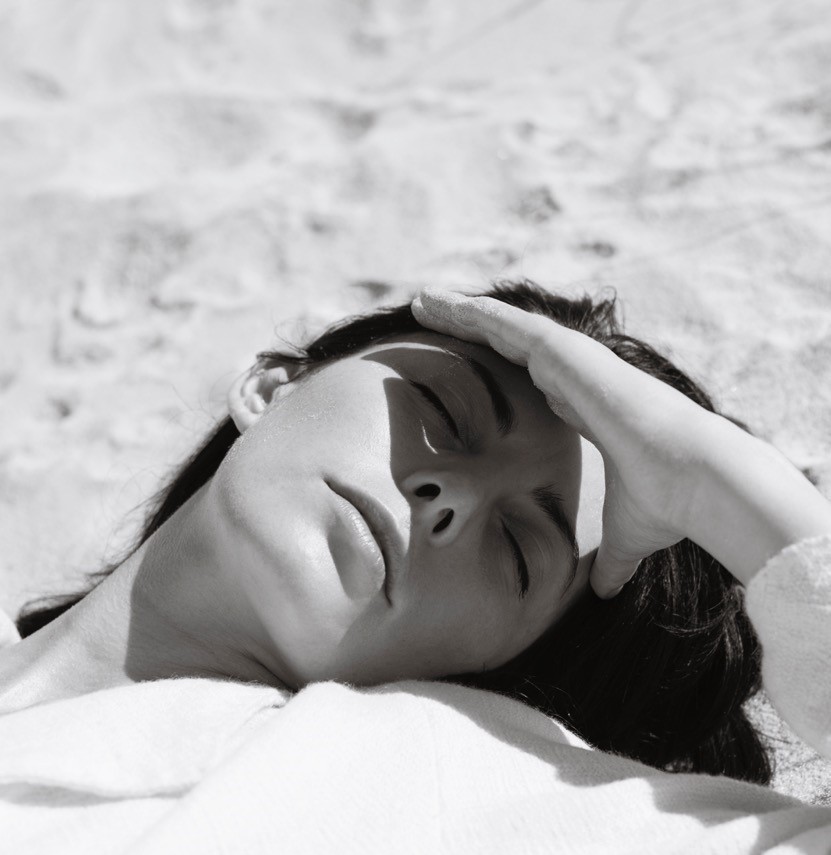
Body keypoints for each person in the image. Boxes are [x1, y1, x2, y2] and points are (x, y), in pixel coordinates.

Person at [1, 281, 830, 853]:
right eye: (443, 410)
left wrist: (712, 484)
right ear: (274, 386)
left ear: (495, 661)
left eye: (517, 546)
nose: (451, 496)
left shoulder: (419, 777)